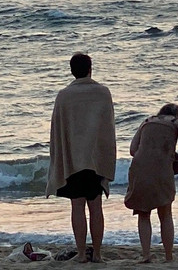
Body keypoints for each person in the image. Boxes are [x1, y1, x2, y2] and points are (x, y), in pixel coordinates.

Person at [46, 53, 116, 264]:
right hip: (95, 159)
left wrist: (58, 159)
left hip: (74, 160)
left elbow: (57, 131)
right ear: (90, 69)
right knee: (96, 207)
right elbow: (108, 130)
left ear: (71, 70)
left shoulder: (64, 95)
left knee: (77, 206)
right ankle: (97, 254)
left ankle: (81, 254)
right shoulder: (103, 93)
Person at [124, 103, 178, 263]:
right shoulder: (176, 122)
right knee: (165, 213)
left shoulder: (147, 121)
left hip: (139, 168)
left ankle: (146, 255)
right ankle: (169, 256)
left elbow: (133, 150)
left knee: (143, 214)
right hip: (161, 169)